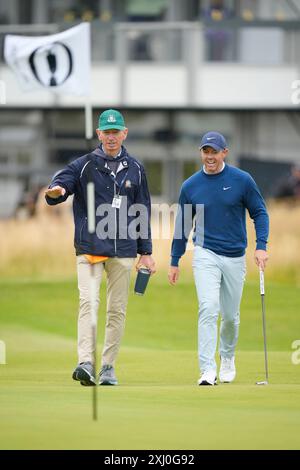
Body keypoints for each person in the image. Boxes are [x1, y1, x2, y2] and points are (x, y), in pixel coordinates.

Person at [45, 109, 156, 386]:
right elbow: (63, 182)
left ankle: (107, 367)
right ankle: (85, 362)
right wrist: (56, 190)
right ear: (99, 134)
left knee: (116, 310)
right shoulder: (84, 165)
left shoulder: (136, 169)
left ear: (124, 134)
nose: (111, 137)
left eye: (115, 131)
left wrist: (147, 253)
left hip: (124, 251)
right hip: (91, 248)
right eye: (106, 132)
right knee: (88, 303)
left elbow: (142, 210)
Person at [168, 131, 269, 386]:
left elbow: (259, 213)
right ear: (201, 153)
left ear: (225, 152)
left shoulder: (242, 180)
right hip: (205, 252)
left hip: (235, 255)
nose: (210, 156)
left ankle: (227, 357)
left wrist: (261, 246)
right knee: (208, 308)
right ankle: (207, 370)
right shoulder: (190, 186)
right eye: (206, 151)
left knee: (231, 317)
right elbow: (182, 226)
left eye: (214, 151)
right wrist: (174, 260)